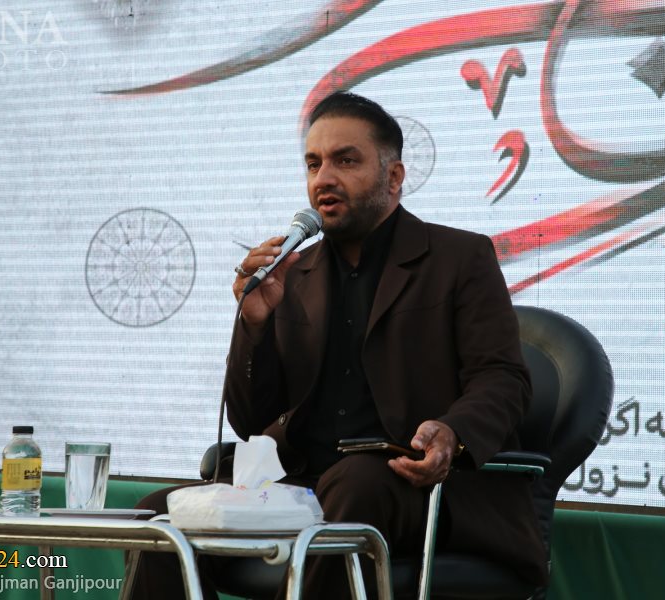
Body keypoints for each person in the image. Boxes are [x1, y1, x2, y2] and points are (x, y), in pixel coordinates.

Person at [134, 91, 548, 598]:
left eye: (345, 161)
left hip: (415, 485)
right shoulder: (293, 275)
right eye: (313, 164)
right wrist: (254, 327)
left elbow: (503, 379)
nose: (323, 179)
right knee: (157, 516)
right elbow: (251, 421)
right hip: (301, 483)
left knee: (354, 484)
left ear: (393, 177)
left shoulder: (458, 258)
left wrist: (451, 434)